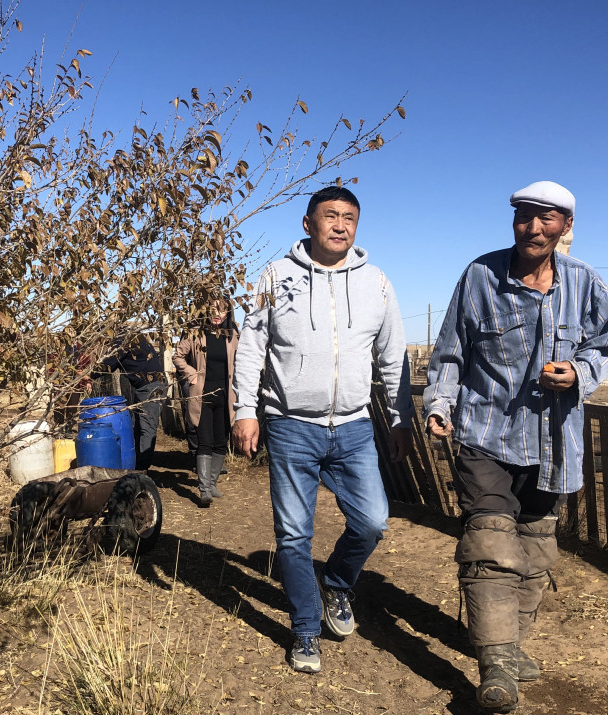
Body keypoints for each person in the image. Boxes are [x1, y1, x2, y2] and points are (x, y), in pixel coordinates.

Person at [423, 181, 608, 712]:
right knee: (490, 544)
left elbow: (606, 348)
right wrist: (439, 404)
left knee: (535, 550)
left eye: (547, 218)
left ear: (565, 227)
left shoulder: (586, 284)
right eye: (525, 217)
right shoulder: (480, 277)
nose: (534, 227)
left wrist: (578, 373)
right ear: (513, 221)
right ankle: (497, 664)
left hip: (552, 443)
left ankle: (507, 642)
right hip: (485, 434)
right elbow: (450, 353)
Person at [232, 185, 412, 674]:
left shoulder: (375, 282)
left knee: (372, 521)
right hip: (291, 425)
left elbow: (392, 354)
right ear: (307, 223)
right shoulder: (275, 276)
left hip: (354, 425)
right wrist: (243, 409)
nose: (339, 225)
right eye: (329, 216)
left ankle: (337, 581)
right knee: (293, 534)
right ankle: (305, 630)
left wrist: (400, 420)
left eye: (349, 217)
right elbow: (252, 345)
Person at [173, 297, 239, 506]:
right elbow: (177, 357)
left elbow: (242, 360)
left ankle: (212, 483)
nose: (217, 314)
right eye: (213, 309)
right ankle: (204, 490)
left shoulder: (233, 335)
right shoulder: (195, 333)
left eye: (222, 310)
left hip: (226, 397)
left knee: (221, 442)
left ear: (228, 312)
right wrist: (191, 373)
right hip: (202, 396)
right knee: (205, 442)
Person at [102, 333, 166, 470]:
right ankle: (135, 464)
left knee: (146, 428)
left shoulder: (122, 342)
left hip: (151, 387)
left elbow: (107, 365)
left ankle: (142, 469)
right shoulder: (136, 337)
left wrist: (87, 376)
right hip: (146, 387)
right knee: (137, 427)